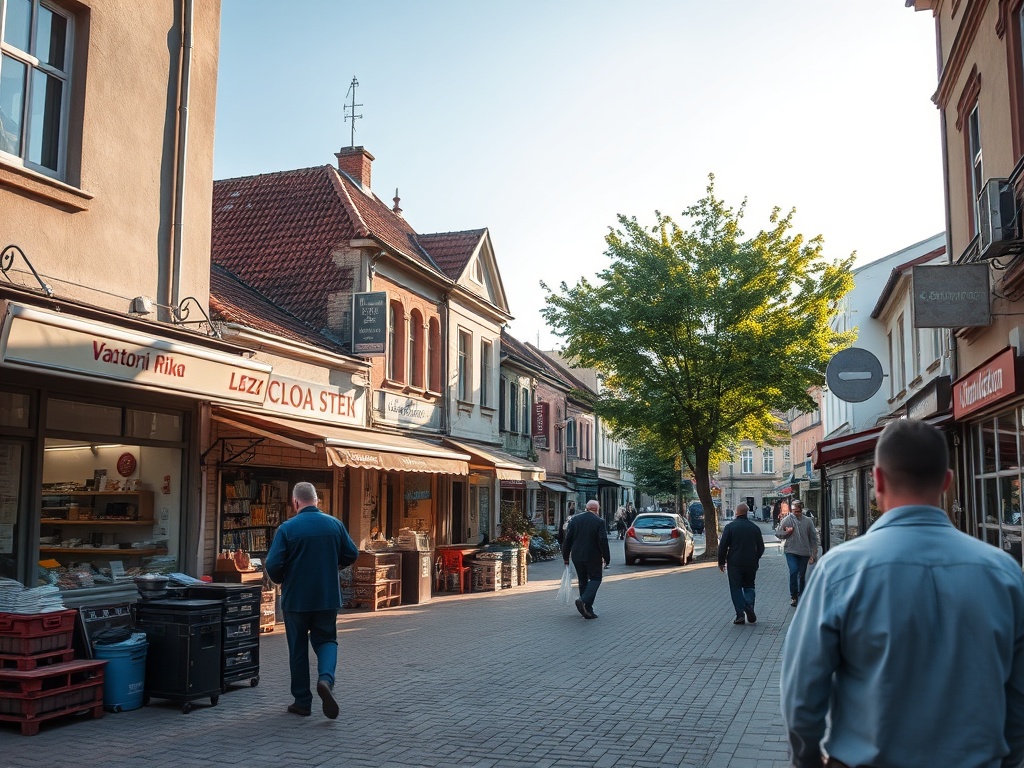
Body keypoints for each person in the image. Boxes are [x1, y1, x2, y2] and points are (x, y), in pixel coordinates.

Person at [781, 418, 1024, 768]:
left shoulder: (840, 572)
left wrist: (806, 760)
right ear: (946, 482)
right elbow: (1018, 697)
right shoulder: (1004, 574)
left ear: (876, 480)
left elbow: (802, 691)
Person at [265, 482, 359, 719]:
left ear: (295, 502)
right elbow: (352, 554)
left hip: (296, 598)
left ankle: (302, 702)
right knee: (327, 640)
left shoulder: (287, 528)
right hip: (327, 596)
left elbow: (272, 564)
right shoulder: (334, 524)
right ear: (318, 501)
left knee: (297, 648)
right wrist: (334, 566)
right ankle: (326, 679)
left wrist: (281, 580)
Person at [717, 502, 765, 625]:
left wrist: (721, 562)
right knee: (749, 586)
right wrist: (756, 558)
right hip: (751, 563)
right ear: (747, 513)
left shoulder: (730, 527)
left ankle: (741, 613)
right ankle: (750, 607)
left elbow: (723, 546)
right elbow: (761, 547)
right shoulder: (754, 528)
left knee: (736, 588)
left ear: (737, 513)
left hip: (735, 563)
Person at [562, 499, 611, 620]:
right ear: (597, 509)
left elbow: (568, 539)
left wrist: (565, 556)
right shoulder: (599, 521)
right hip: (593, 555)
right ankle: (583, 600)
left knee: (582, 580)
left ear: (586, 508)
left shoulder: (575, 519)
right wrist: (606, 557)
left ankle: (587, 610)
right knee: (596, 578)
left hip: (577, 556)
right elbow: (603, 540)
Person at [776, 499, 818, 607]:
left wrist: (813, 554)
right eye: (794, 511)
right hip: (791, 551)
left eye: (798, 511)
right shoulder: (787, 520)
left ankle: (802, 595)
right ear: (791, 510)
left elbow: (813, 538)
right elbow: (779, 534)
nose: (796, 513)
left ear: (801, 510)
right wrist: (787, 532)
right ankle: (794, 596)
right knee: (794, 571)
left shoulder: (808, 521)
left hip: (804, 552)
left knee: (802, 575)